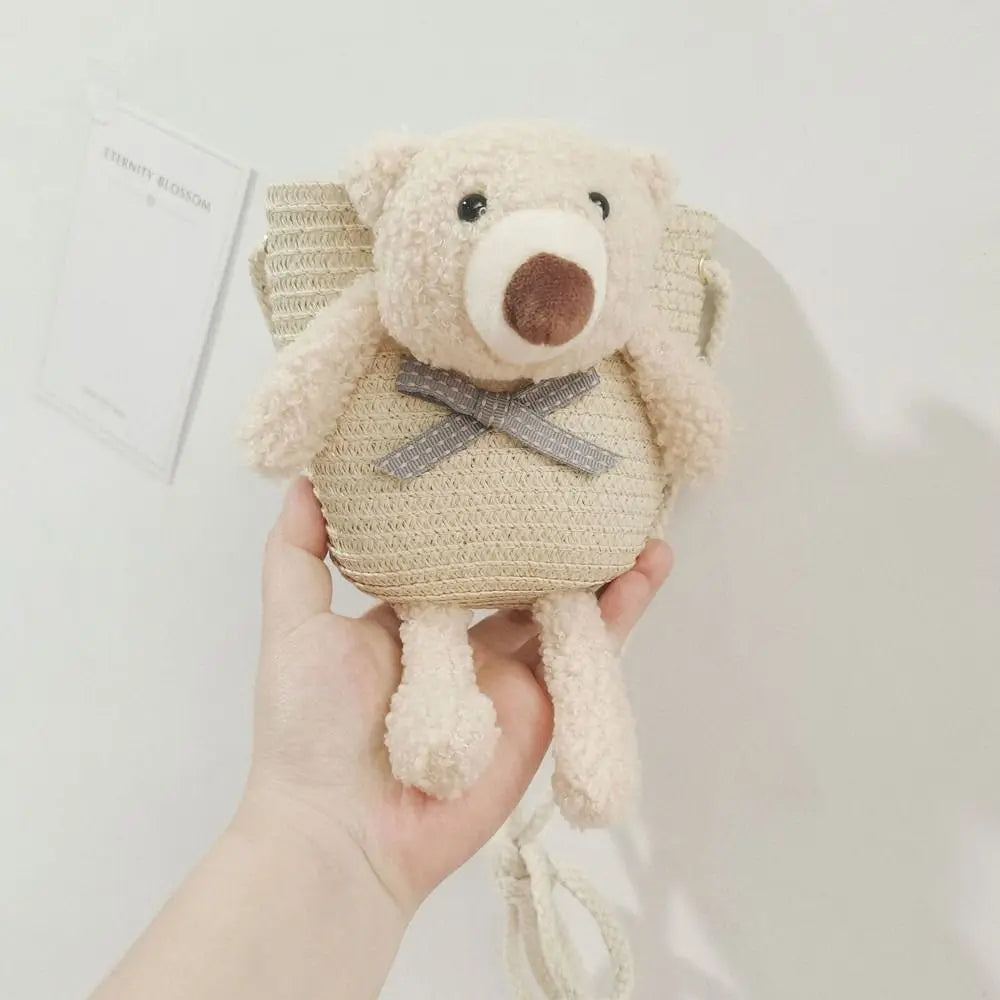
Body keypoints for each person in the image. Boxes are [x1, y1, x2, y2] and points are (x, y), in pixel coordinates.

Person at [91, 477, 672, 1000]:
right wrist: (322, 827)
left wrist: (312, 826)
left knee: (554, 626)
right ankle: (484, 744)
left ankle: (587, 758)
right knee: (446, 621)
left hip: (529, 548)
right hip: (435, 564)